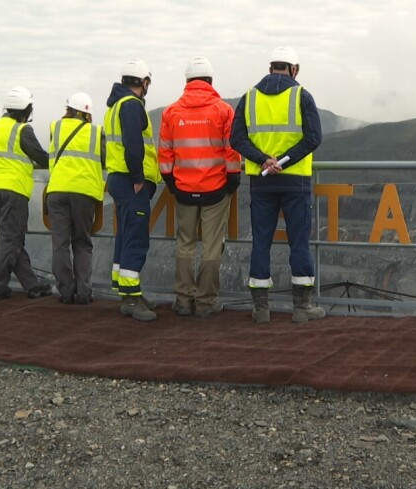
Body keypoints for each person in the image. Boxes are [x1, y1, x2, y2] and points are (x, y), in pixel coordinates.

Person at [230, 46, 326, 324]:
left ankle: (261, 309)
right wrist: (284, 161)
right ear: (293, 69)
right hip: (295, 181)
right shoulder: (301, 95)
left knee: (261, 241)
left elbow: (237, 139)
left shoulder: (249, 98)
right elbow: (313, 138)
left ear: (272, 67)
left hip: (262, 183)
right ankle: (302, 308)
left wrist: (263, 161)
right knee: (299, 242)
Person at [158, 56, 242, 318]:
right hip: (216, 189)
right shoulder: (223, 110)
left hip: (183, 189)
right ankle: (206, 302)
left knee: (185, 244)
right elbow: (231, 150)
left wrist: (171, 182)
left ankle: (183, 300)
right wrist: (233, 179)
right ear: (210, 80)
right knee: (211, 245)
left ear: (187, 81)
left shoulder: (171, 112)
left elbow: (165, 154)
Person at [0, 86, 52, 301]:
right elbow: (41, 158)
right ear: (26, 110)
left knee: (10, 239)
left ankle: (32, 285)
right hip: (13, 191)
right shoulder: (22, 131)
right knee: (10, 240)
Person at [104, 58, 162, 322]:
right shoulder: (131, 105)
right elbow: (133, 144)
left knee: (125, 234)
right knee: (136, 237)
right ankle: (130, 299)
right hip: (131, 180)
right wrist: (139, 177)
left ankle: (129, 292)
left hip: (119, 178)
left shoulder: (115, 106)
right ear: (143, 82)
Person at [46, 92, 105, 305]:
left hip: (57, 190)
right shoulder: (96, 132)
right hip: (84, 192)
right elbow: (105, 158)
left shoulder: (56, 127)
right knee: (82, 243)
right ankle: (83, 293)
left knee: (60, 244)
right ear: (87, 114)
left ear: (68, 110)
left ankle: (65, 291)